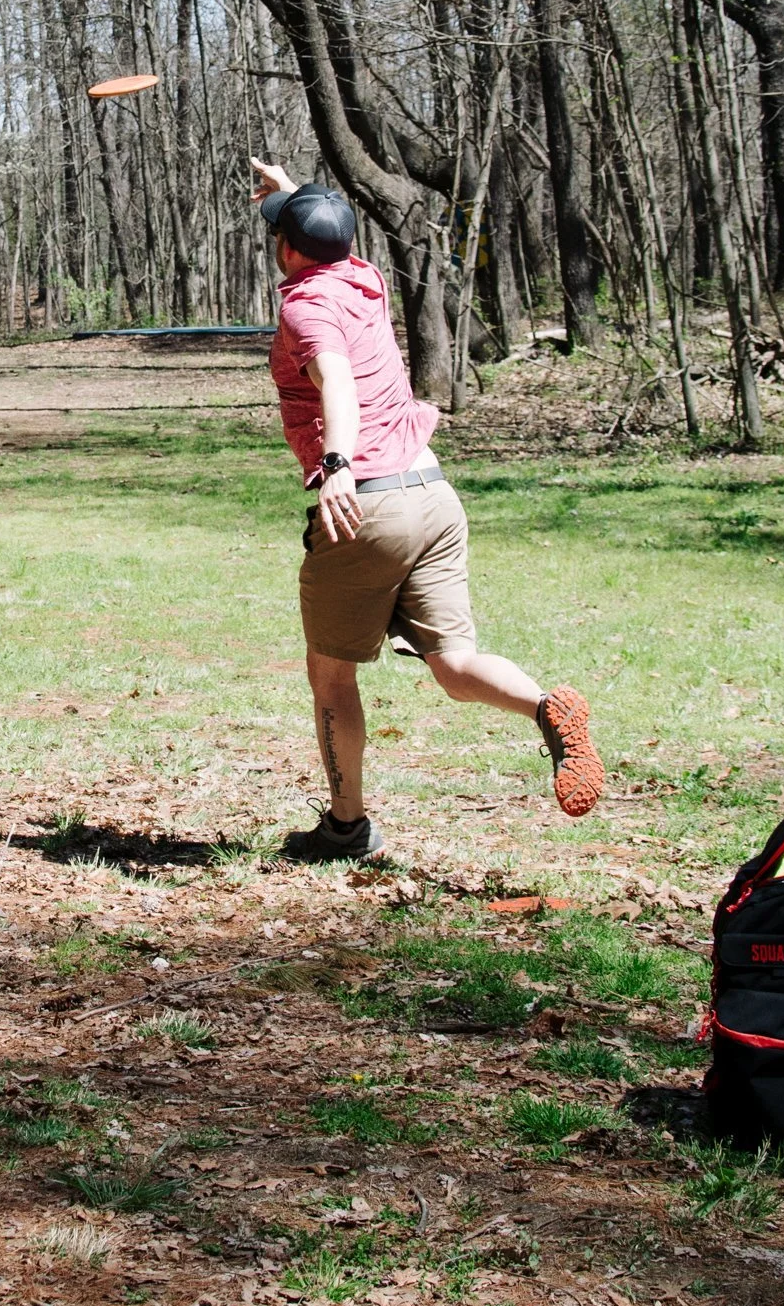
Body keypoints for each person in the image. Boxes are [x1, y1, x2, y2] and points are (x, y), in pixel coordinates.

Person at [251, 159, 603, 861]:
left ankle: (345, 828)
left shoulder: (306, 307)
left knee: (331, 674)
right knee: (453, 663)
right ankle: (546, 709)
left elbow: (338, 385)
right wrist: (293, 193)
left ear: (289, 249)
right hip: (434, 496)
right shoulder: (363, 278)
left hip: (370, 507)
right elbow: (326, 235)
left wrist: (338, 465)